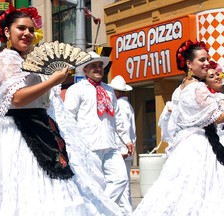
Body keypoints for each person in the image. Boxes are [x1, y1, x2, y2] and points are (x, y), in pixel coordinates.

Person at [0, 5, 122, 216]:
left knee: (52, 192)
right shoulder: (5, 60)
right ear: (7, 32)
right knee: (19, 195)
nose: (27, 34)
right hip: (16, 134)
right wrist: (54, 80)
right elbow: (18, 98)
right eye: (21, 28)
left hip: (41, 128)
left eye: (31, 30)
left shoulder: (27, 60)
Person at [132, 40, 224, 216]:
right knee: (203, 192)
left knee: (177, 190)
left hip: (184, 145)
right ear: (189, 64)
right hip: (200, 146)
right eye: (202, 60)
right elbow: (216, 118)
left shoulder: (180, 88)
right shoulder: (198, 88)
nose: (206, 63)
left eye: (207, 59)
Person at [64, 51, 134, 213]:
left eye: (100, 66)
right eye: (93, 66)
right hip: (88, 145)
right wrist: (71, 143)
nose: (98, 69)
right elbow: (68, 118)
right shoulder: (76, 89)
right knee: (95, 184)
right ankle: (99, 210)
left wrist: (127, 140)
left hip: (110, 144)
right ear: (85, 70)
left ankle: (99, 210)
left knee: (121, 179)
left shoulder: (109, 90)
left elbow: (117, 118)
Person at [109, 75, 136, 214]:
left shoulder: (121, 105)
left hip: (122, 151)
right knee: (123, 185)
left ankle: (126, 212)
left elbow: (123, 128)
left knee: (123, 186)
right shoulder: (127, 105)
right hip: (125, 150)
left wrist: (122, 149)